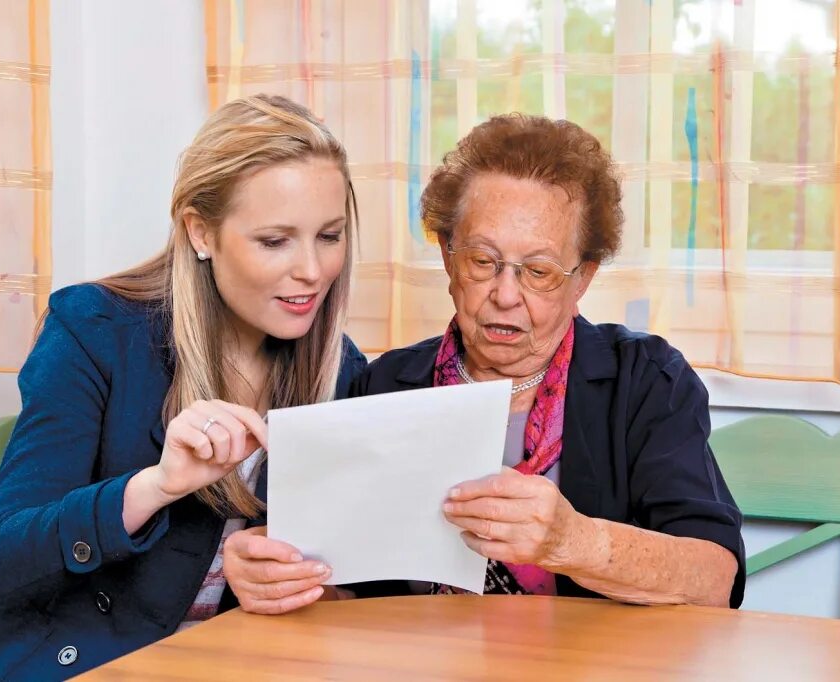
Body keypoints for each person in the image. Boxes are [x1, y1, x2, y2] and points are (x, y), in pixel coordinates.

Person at [0, 94, 367, 680]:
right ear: (200, 232)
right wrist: (155, 486)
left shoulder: (342, 369)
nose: (312, 270)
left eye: (329, 236)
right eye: (275, 241)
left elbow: (352, 578)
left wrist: (291, 583)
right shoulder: (94, 331)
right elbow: (3, 559)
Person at [223, 113, 745, 611]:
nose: (505, 295)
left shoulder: (646, 379)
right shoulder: (385, 384)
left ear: (582, 278)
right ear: (449, 258)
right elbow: (352, 592)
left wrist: (574, 541)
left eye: (538, 271)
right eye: (482, 261)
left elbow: (715, 579)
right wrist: (282, 579)